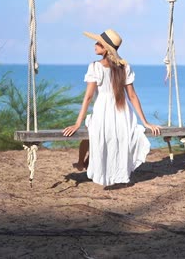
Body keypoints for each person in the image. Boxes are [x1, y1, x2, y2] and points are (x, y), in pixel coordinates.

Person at [63, 28, 160, 186]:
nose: (95, 45)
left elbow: (88, 97)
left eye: (98, 43)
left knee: (92, 129)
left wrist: (77, 123)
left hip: (103, 111)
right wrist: (145, 121)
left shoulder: (95, 67)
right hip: (122, 113)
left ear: (106, 49)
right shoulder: (124, 67)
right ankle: (84, 162)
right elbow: (133, 96)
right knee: (96, 132)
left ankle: (82, 162)